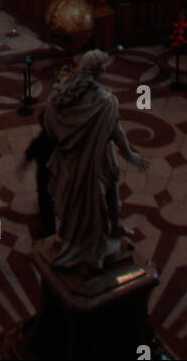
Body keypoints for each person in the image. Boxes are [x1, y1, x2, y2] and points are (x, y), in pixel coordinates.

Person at [43, 49, 148, 271]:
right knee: (97, 201)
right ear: (99, 72)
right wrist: (130, 154)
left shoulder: (62, 96)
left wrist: (65, 143)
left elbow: (50, 122)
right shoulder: (106, 101)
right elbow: (117, 132)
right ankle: (90, 245)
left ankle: (110, 229)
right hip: (96, 161)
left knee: (91, 199)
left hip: (74, 161)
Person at [23, 123, 56, 238]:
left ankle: (49, 230)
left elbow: (29, 154)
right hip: (55, 173)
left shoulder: (40, 141)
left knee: (45, 200)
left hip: (44, 175)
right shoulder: (56, 139)